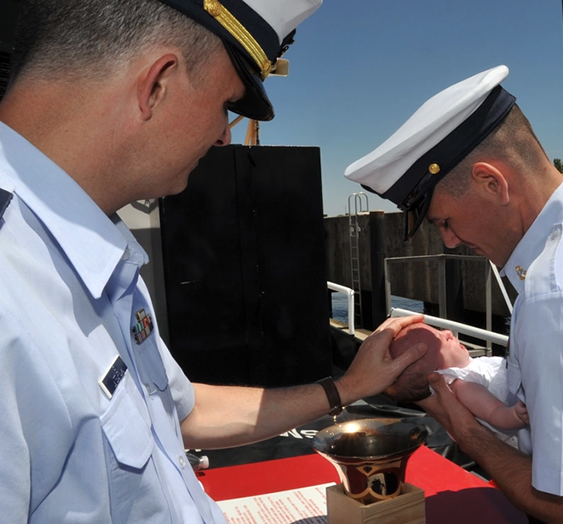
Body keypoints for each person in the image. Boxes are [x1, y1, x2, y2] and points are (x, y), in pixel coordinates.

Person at [0, 1, 425, 522]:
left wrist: (349, 387)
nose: (224, 133)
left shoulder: (92, 250)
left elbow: (181, 412)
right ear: (157, 83)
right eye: (226, 102)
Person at [344, 65, 563, 523]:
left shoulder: (560, 296)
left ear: (491, 182)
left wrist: (464, 429)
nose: (450, 242)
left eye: (443, 221)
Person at [385, 322, 528, 443]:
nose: (448, 332)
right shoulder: (464, 386)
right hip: (518, 423)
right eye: (444, 339)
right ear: (440, 370)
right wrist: (516, 414)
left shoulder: (470, 369)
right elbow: (494, 412)